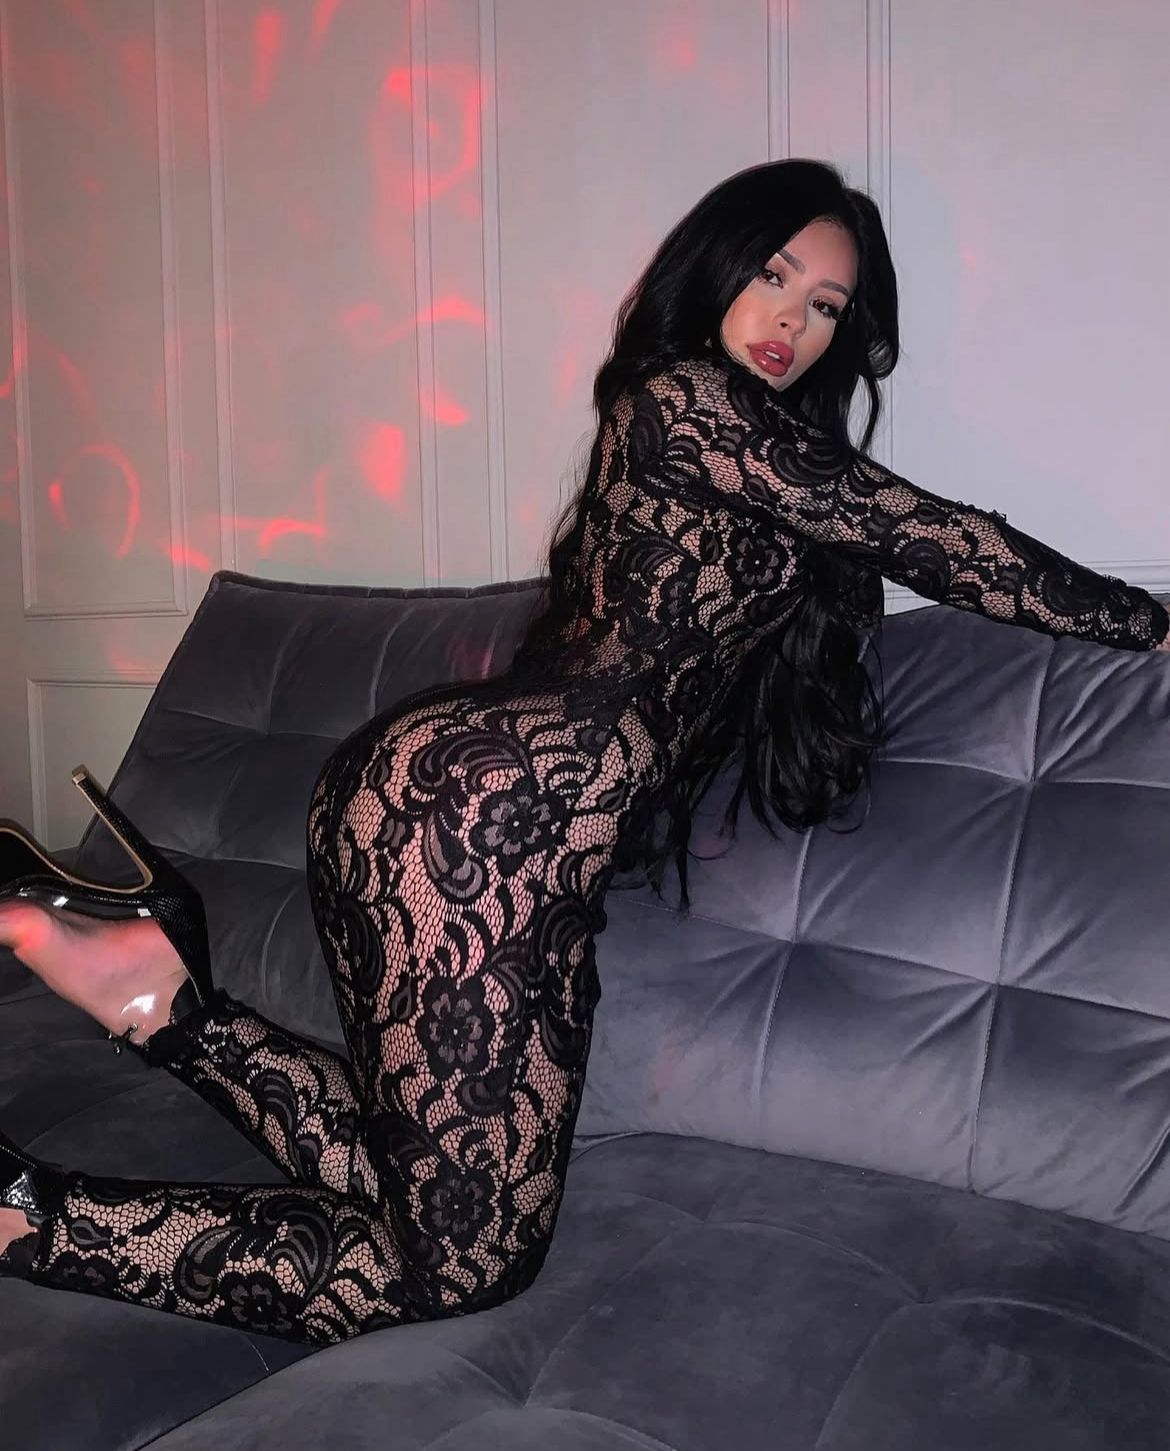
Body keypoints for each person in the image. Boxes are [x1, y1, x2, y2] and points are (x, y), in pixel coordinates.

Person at [1, 158, 1167, 1347]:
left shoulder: (755, 468)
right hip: (478, 815)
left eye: (826, 305)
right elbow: (940, 538)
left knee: (426, 1197)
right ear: (711, 269)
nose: (793, 320)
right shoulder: (679, 398)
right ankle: (24, 1215)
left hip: (469, 810)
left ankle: (167, 1003)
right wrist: (1153, 625)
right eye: (772, 275)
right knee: (456, 1269)